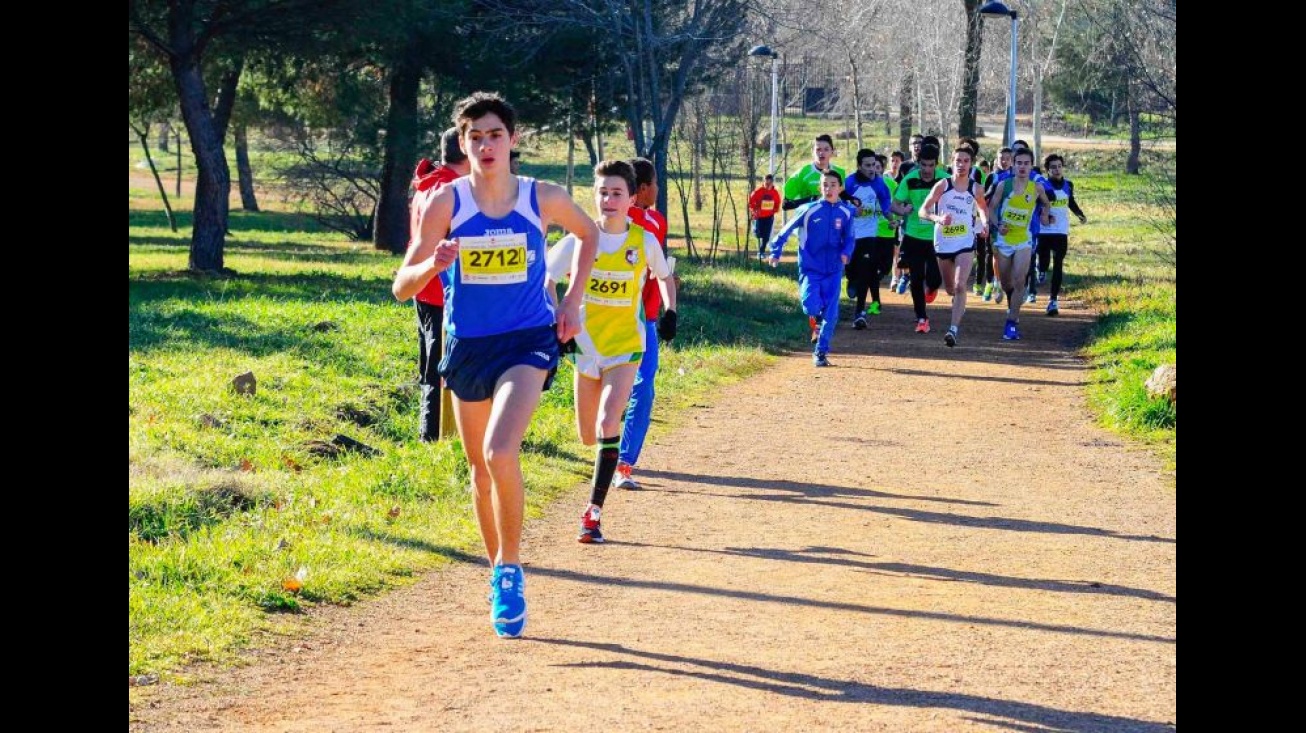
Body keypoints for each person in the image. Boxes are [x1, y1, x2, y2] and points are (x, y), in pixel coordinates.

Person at [392, 91, 600, 639]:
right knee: (479, 474)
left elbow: (589, 233)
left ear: (514, 139)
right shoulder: (447, 203)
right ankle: (496, 574)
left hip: (527, 341)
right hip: (468, 348)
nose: (485, 145)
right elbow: (400, 285)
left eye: (494, 135)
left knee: (500, 450)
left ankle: (511, 569)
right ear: (462, 144)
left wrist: (573, 301)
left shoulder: (541, 197)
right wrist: (431, 266)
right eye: (474, 137)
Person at [546, 160, 676, 543]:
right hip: (585, 348)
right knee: (588, 435)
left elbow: (666, 278)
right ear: (594, 196)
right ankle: (603, 471)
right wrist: (559, 317)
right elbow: (546, 279)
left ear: (632, 198)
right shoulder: (578, 240)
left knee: (608, 421)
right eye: (602, 192)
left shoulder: (643, 241)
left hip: (625, 347)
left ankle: (593, 513)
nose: (609, 199)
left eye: (617, 193)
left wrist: (671, 311)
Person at [614, 157, 677, 491]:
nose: (658, 188)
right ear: (641, 189)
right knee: (634, 389)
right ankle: (618, 459)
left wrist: (667, 290)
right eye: (655, 183)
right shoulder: (626, 222)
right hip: (617, 318)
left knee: (642, 388)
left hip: (647, 317)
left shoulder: (656, 221)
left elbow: (657, 269)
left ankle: (623, 460)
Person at [409, 128, 470, 442]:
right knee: (438, 369)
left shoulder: (428, 184)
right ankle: (433, 437)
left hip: (423, 288)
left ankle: (432, 432)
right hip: (442, 292)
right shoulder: (450, 190)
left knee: (430, 366)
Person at [766, 169, 856, 367]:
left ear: (840, 188)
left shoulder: (847, 212)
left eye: (833, 185)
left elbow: (850, 238)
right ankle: (817, 318)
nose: (829, 189)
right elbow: (786, 230)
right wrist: (775, 251)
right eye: (825, 185)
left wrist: (846, 252)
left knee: (832, 315)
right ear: (820, 188)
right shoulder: (808, 209)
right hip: (810, 269)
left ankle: (821, 352)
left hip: (833, 270)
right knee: (810, 305)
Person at [917, 145, 989, 347]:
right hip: (943, 242)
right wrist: (937, 218)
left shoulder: (976, 188)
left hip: (965, 242)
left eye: (966, 161)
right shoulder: (942, 185)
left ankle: (953, 329)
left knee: (959, 285)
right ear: (951, 163)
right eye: (958, 161)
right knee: (950, 289)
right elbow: (923, 211)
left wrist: (985, 223)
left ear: (971, 164)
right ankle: (958, 303)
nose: (962, 165)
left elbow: (983, 208)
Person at [987, 147, 1052, 340]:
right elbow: (991, 208)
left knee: (1019, 280)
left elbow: (1047, 203)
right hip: (1004, 240)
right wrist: (998, 225)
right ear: (1013, 165)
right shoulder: (1003, 186)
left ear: (1031, 166)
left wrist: (1045, 214)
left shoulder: (1037, 188)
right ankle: (1011, 300)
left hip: (1024, 239)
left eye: (1026, 163)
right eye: (1019, 163)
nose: (1022, 167)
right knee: (1007, 283)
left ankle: (1011, 323)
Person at [891, 143, 946, 334]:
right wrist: (902, 210)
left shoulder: (945, 180)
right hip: (913, 235)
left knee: (935, 278)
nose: (927, 170)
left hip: (937, 236)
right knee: (916, 278)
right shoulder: (910, 179)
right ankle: (922, 318)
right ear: (918, 163)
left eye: (931, 165)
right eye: (923, 165)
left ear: (936, 164)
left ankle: (931, 289)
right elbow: (894, 205)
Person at [843, 149, 894, 328]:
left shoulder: (879, 183)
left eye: (873, 165)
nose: (872, 169)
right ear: (859, 166)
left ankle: (860, 313)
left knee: (866, 269)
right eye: (867, 165)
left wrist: (891, 220)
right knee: (852, 267)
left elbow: (886, 203)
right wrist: (851, 211)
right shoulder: (849, 183)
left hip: (869, 234)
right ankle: (851, 278)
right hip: (850, 234)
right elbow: (839, 203)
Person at [1037, 154, 1088, 316]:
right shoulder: (1042, 185)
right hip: (1045, 230)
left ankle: (1053, 301)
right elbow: (1035, 205)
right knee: (1044, 261)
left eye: (1059, 166)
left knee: (1058, 263)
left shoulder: (1068, 185)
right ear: (1048, 170)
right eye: (1053, 167)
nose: (1057, 170)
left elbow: (1070, 202)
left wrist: (1080, 214)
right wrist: (1044, 215)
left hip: (1061, 231)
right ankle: (1041, 268)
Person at [783, 134, 846, 210]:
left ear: (832, 152)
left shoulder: (840, 173)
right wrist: (812, 199)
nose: (822, 153)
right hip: (809, 219)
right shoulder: (801, 174)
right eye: (818, 149)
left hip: (832, 220)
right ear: (812, 151)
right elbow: (785, 205)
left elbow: (844, 200)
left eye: (826, 149)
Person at [748, 174, 783, 259]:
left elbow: (777, 203)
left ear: (772, 183)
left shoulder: (775, 193)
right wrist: (754, 211)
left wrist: (774, 210)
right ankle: (754, 228)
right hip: (759, 217)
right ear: (763, 182)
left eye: (769, 183)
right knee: (758, 234)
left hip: (769, 217)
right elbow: (750, 202)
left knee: (766, 236)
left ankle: (761, 252)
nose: (768, 185)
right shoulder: (758, 191)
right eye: (766, 183)